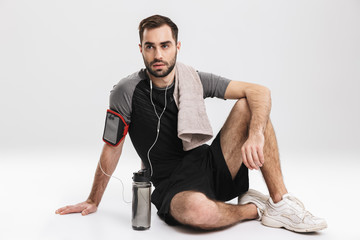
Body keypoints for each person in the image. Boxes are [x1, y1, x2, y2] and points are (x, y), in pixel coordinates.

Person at [55, 14, 327, 232]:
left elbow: (260, 91)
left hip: (208, 164)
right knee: (197, 211)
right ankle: (257, 209)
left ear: (177, 47)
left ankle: (280, 203)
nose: (158, 54)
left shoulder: (193, 78)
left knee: (249, 105)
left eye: (165, 45)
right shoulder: (126, 91)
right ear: (141, 49)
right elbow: (111, 146)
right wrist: (93, 199)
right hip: (171, 183)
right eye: (150, 47)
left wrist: (256, 133)